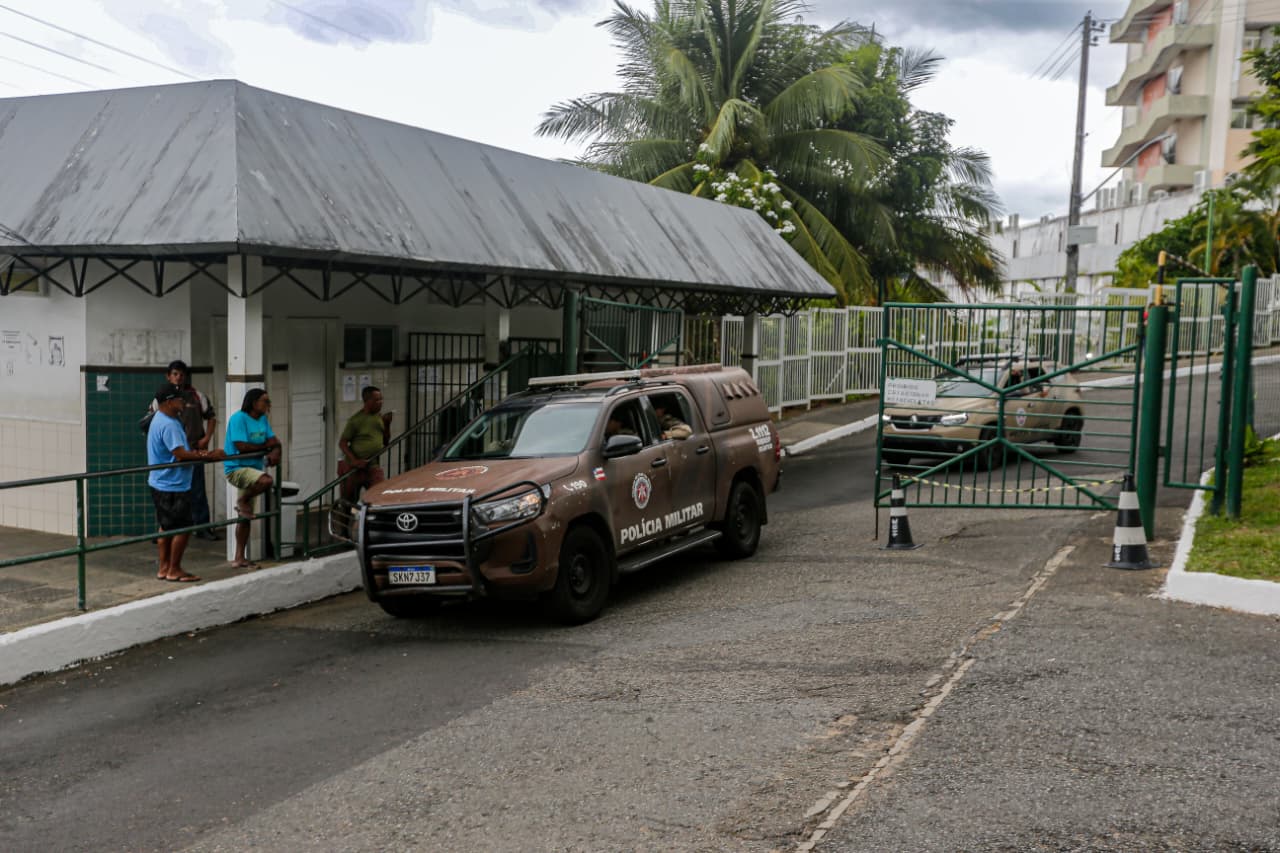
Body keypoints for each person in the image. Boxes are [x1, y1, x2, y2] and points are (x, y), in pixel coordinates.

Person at [148, 383, 224, 582]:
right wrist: (209, 456)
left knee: (166, 526)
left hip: (161, 482)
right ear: (169, 402)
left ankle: (164, 568)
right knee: (183, 526)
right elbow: (180, 455)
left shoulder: (161, 418)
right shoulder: (169, 424)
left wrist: (198, 453)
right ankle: (174, 569)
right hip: (173, 484)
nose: (184, 402)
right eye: (180, 399)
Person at [149, 360, 218, 540]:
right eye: (175, 374)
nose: (178, 378)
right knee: (167, 493)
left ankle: (202, 526)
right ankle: (164, 531)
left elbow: (211, 418)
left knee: (197, 490)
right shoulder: (161, 400)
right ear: (168, 376)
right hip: (173, 455)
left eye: (181, 374)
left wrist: (206, 438)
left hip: (193, 450)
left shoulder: (197, 396)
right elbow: (150, 423)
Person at [223, 388, 282, 569]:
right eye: (265, 401)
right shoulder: (238, 419)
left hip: (254, 471)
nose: (268, 404)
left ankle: (239, 557)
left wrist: (275, 451)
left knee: (245, 517)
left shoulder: (263, 419)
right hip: (237, 469)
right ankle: (243, 499)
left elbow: (275, 441)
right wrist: (265, 446)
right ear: (254, 402)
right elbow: (241, 446)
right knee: (267, 481)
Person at [338, 385, 392, 501]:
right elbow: (342, 443)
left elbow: (386, 441)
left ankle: (372, 517)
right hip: (354, 468)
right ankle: (347, 517)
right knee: (349, 501)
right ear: (367, 401)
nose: (381, 402)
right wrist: (354, 461)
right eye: (377, 400)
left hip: (372, 465)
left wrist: (387, 425)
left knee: (379, 497)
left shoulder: (379, 418)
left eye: (381, 399)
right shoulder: (356, 420)